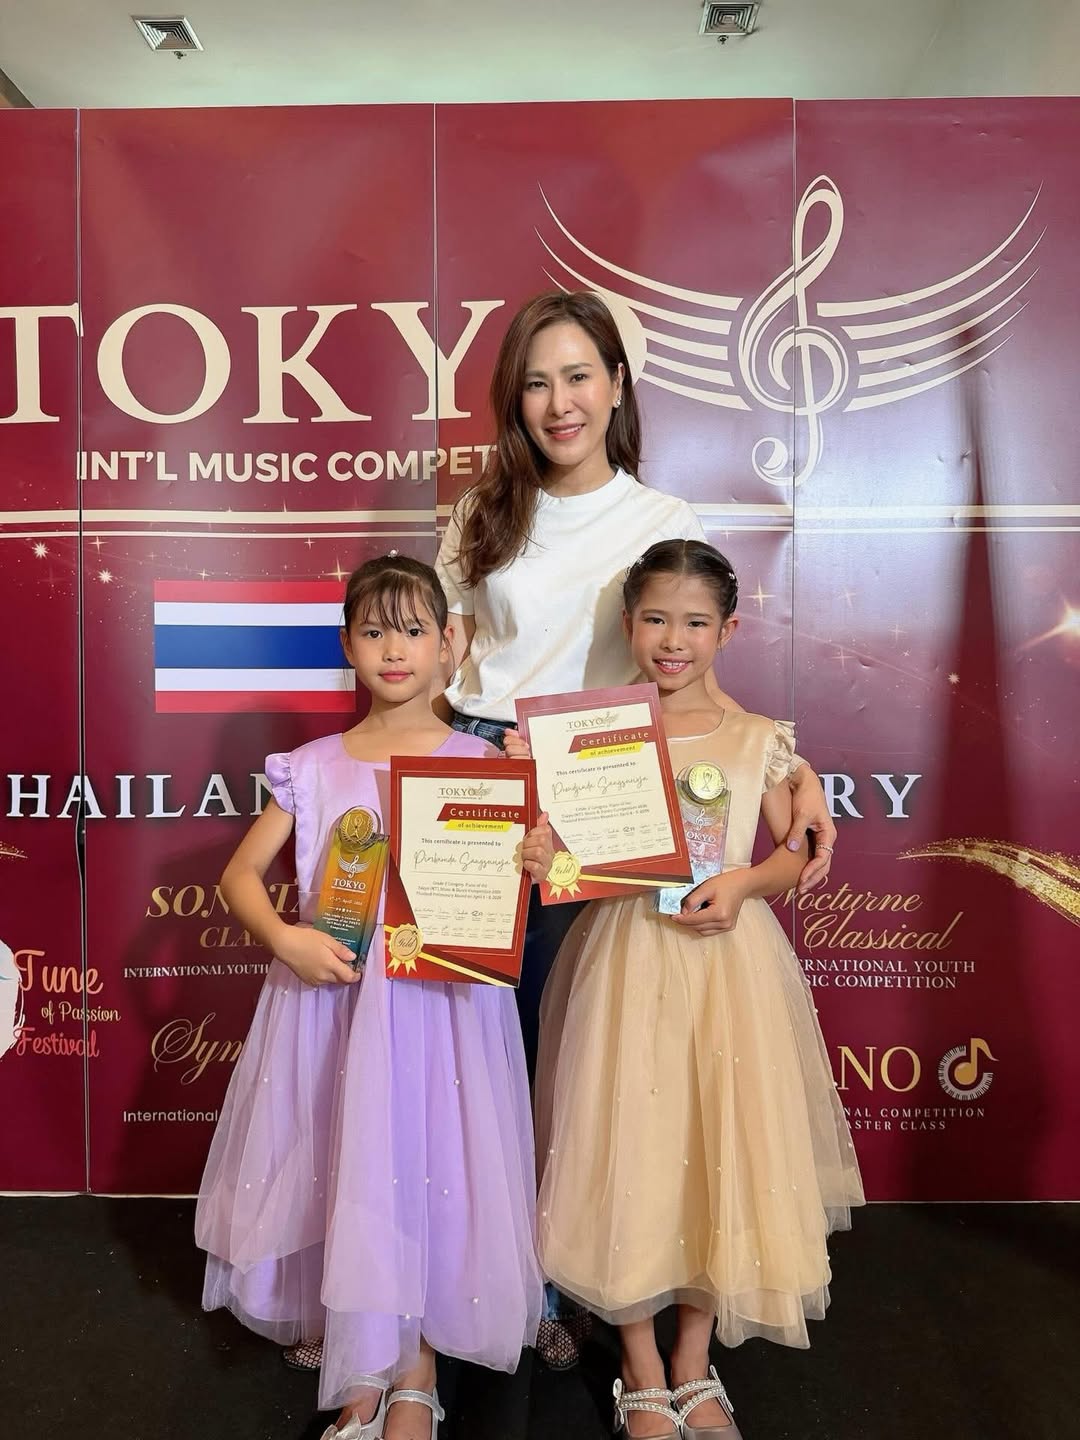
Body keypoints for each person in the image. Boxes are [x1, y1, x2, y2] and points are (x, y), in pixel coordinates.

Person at [434, 289, 837, 1367]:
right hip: (481, 773)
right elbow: (445, 667)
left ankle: (564, 1276)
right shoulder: (479, 514)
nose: (558, 402)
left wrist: (791, 769)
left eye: (578, 376)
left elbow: (694, 675)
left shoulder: (661, 516)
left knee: (574, 1044)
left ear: (616, 384)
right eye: (535, 382)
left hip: (601, 784)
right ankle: (464, 1275)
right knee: (466, 1035)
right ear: (513, 399)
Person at [195, 555, 547, 1440]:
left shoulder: (484, 762)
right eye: (374, 630)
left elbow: (526, 878)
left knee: (428, 1166)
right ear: (347, 645)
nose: (395, 649)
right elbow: (239, 876)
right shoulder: (313, 766)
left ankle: (416, 1372)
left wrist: (540, 858)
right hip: (337, 1003)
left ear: (448, 644)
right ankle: (362, 1370)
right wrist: (285, 937)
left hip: (443, 1009)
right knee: (348, 1165)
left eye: (414, 630)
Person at [526, 540, 865, 1438]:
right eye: (654, 619)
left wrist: (745, 883)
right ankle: (638, 1364)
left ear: (729, 630)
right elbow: (567, 857)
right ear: (628, 625)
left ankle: (692, 1360)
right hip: (626, 960)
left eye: (695, 622)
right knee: (628, 1147)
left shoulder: (759, 738)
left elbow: (796, 851)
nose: (673, 640)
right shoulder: (598, 734)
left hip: (727, 971)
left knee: (720, 1148)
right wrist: (545, 853)